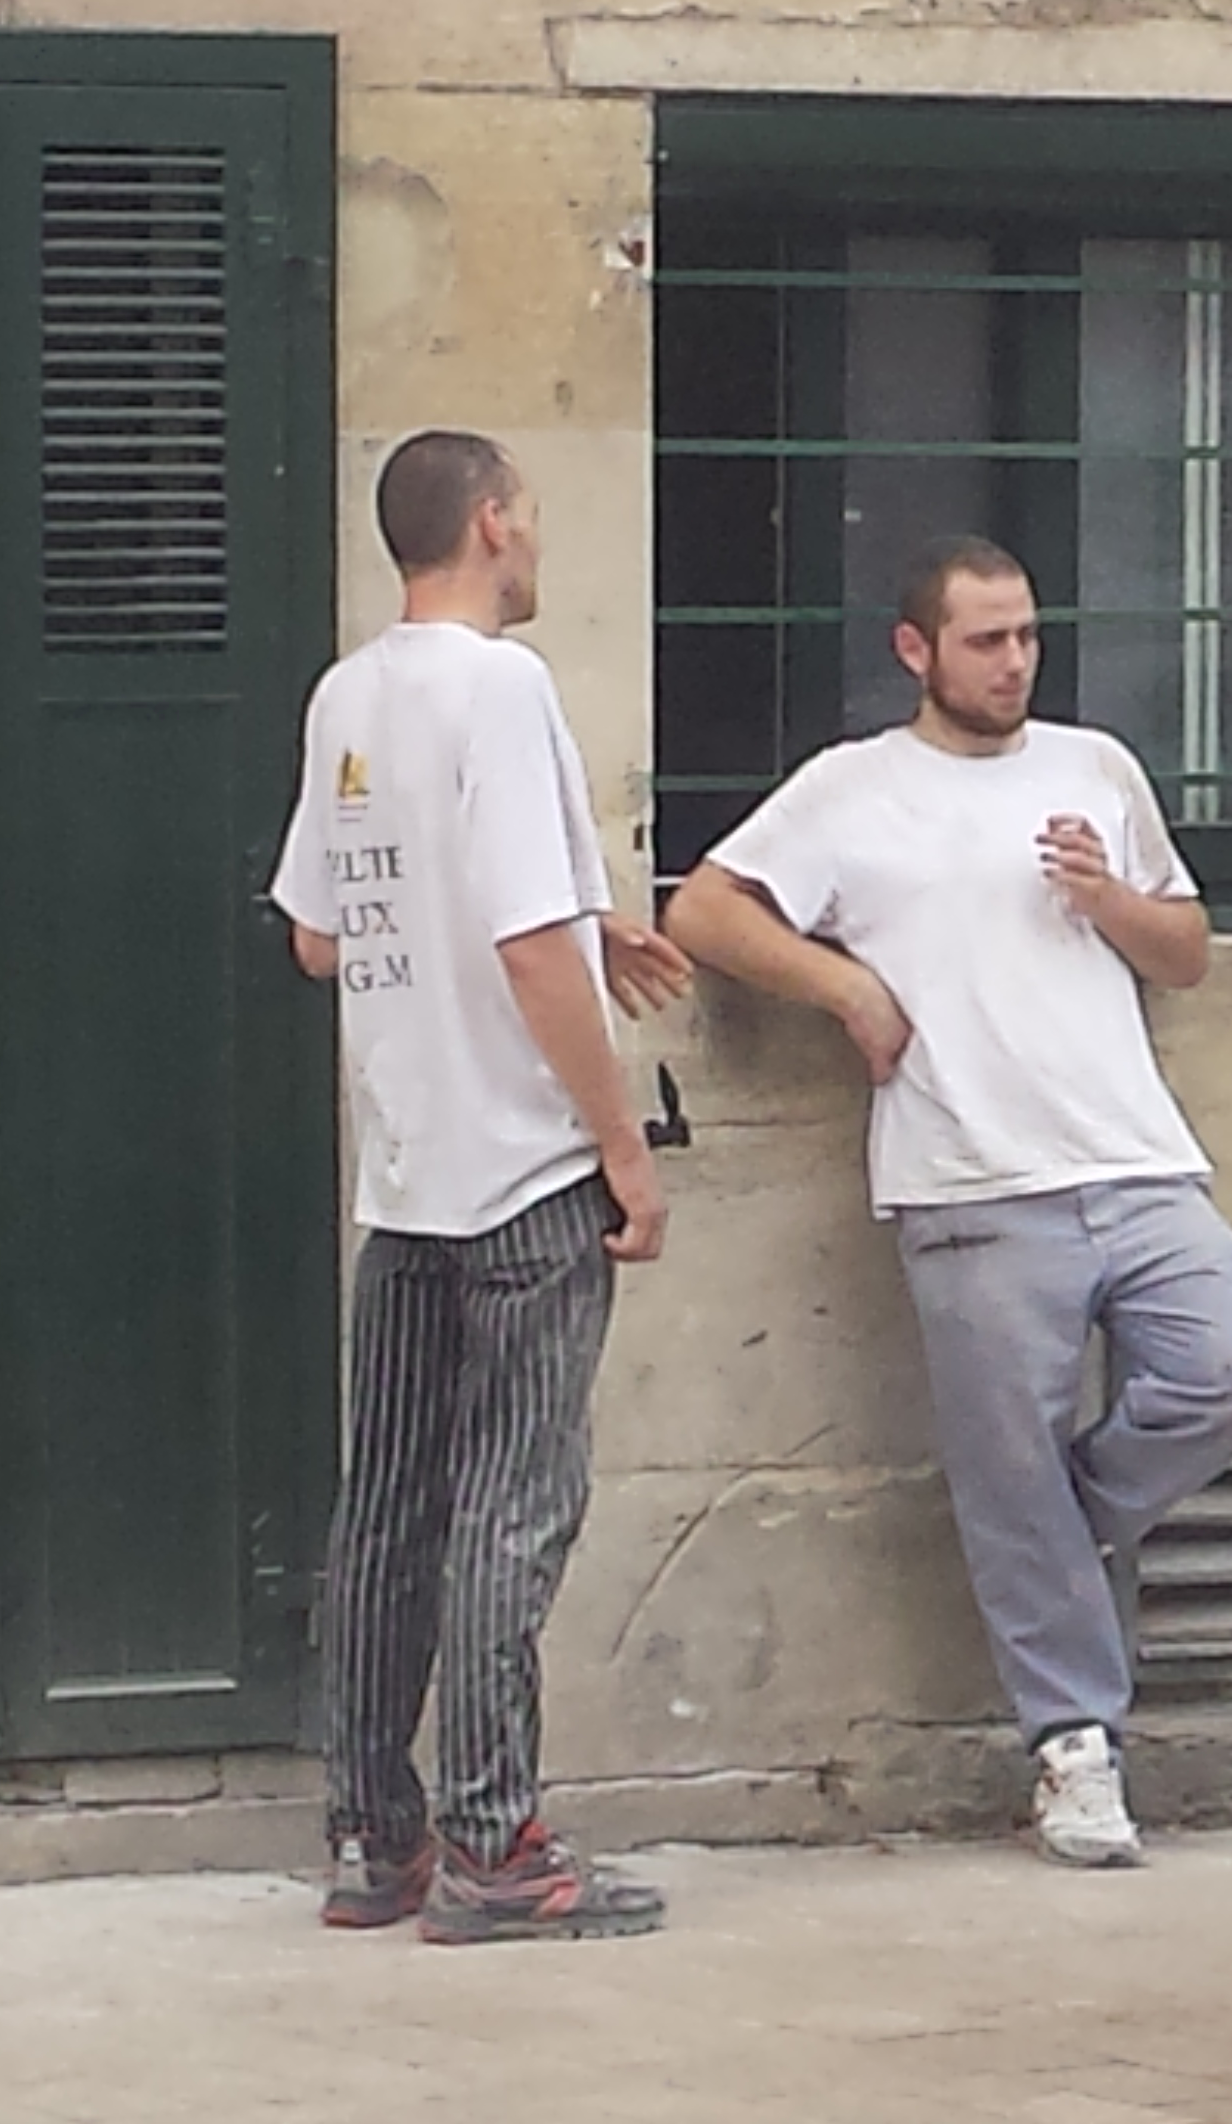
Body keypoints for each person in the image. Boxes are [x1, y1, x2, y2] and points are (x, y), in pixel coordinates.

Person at [663, 534, 1232, 1868]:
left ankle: (1051, 1535)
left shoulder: (1094, 766)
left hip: (1135, 1159)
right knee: (1009, 1472)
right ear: (917, 651)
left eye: (1027, 637)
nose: (1014, 663)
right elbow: (704, 912)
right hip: (969, 1180)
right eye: (986, 641)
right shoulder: (852, 789)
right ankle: (1075, 1750)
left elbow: (1187, 951)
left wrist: (1108, 897)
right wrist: (844, 987)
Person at [268, 429, 692, 1943]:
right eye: (533, 514)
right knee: (516, 1506)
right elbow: (520, 943)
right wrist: (622, 1143)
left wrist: (583, 920)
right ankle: (497, 1840)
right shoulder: (504, 688)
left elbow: (320, 935)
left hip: (404, 1171)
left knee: (388, 1508)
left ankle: (371, 1834)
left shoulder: (347, 694)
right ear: (495, 521)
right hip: (522, 1171)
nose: (538, 540)